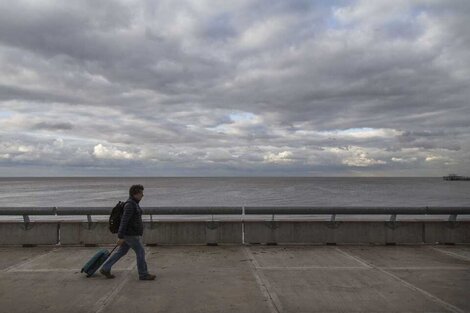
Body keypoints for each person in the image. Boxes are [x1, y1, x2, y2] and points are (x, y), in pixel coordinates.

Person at [100, 184, 156, 280]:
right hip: (131, 235)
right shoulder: (130, 205)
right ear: (135, 194)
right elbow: (124, 221)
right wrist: (120, 236)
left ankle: (105, 268)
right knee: (141, 252)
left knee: (121, 252)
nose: (143, 195)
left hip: (129, 234)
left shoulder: (134, 203)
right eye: (141, 193)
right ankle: (143, 274)